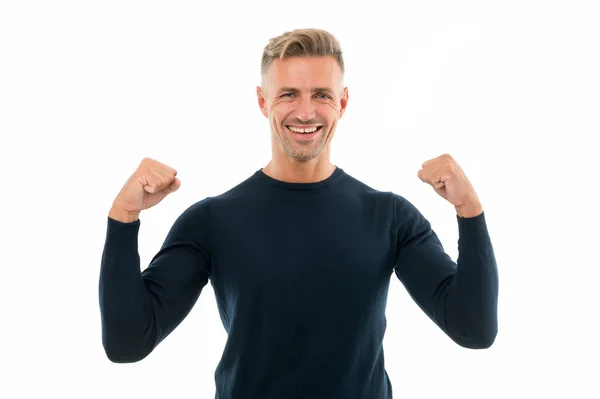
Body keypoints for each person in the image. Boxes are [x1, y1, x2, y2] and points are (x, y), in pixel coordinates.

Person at [99, 28, 499, 399]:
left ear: (342, 103)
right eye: (288, 94)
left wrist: (470, 210)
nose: (306, 113)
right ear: (262, 101)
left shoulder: (390, 217)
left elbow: (474, 329)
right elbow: (127, 343)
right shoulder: (213, 221)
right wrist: (123, 216)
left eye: (322, 95)